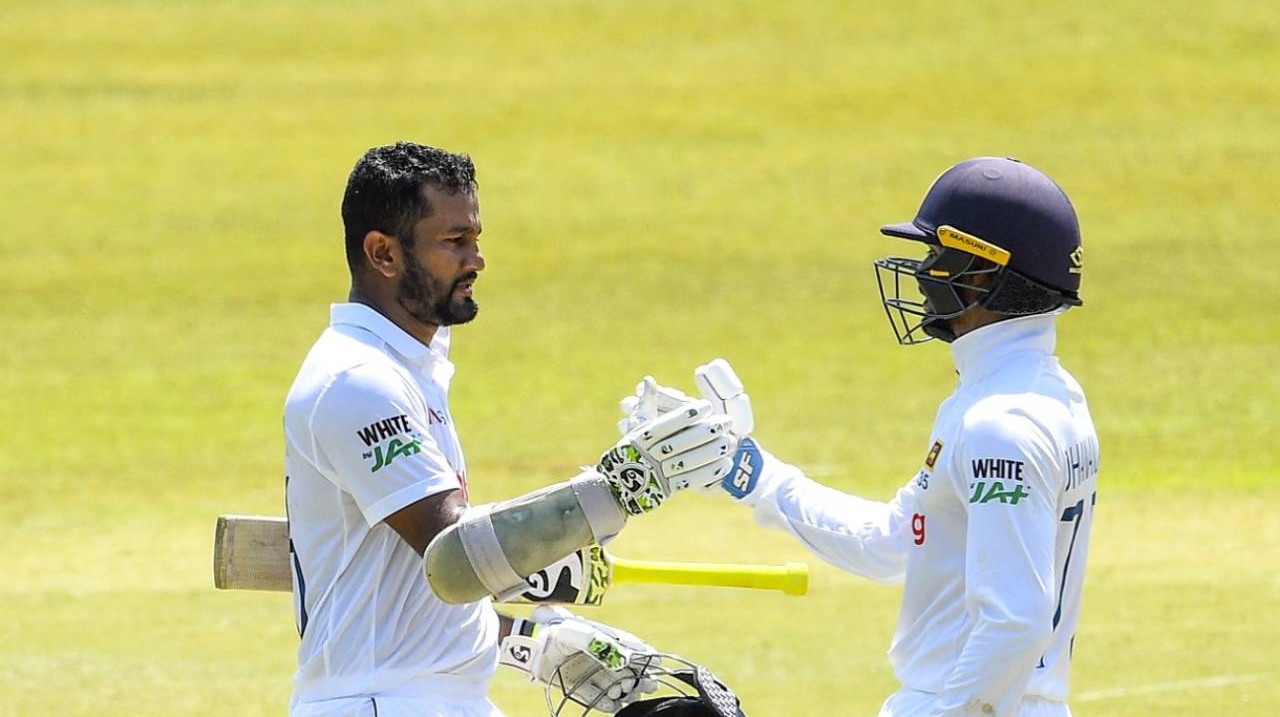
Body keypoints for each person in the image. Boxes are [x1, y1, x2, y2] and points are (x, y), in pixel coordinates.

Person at [623, 157, 1100, 716]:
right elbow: (892, 543)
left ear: (982, 274)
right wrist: (749, 472)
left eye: (936, 257)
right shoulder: (1039, 396)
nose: (922, 273)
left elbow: (1015, 622)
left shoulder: (999, 426)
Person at [283, 142, 740, 717]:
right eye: (454, 242)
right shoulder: (356, 382)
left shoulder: (405, 370)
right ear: (384, 253)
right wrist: (619, 488)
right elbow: (455, 558)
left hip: (433, 698)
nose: (476, 259)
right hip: (382, 703)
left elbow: (412, 590)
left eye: (476, 238)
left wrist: (533, 644)